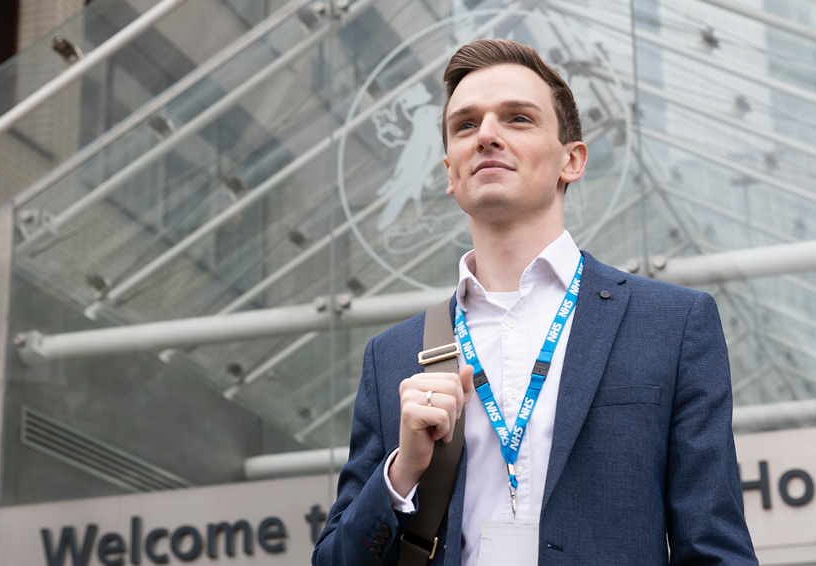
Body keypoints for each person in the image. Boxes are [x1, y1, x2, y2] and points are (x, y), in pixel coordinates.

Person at [313, 38, 757, 566]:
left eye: (518, 119)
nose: (486, 136)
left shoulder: (672, 324)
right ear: (451, 173)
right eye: (465, 125)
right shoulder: (393, 356)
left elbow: (714, 547)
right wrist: (401, 470)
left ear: (572, 160)